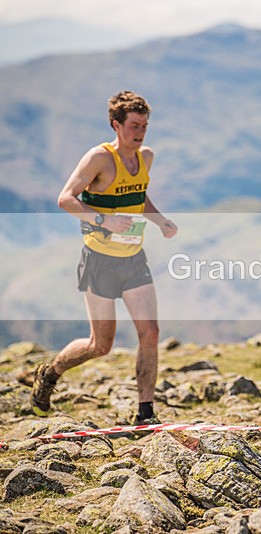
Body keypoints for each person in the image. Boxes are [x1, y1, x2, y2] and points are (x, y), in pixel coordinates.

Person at [30, 91, 177, 425]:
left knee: (150, 333)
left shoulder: (146, 157)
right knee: (100, 345)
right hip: (98, 261)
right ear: (116, 125)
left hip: (133, 259)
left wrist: (161, 221)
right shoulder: (99, 158)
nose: (140, 133)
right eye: (134, 126)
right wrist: (103, 220)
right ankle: (50, 374)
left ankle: (145, 414)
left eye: (145, 126)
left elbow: (139, 196)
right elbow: (65, 199)